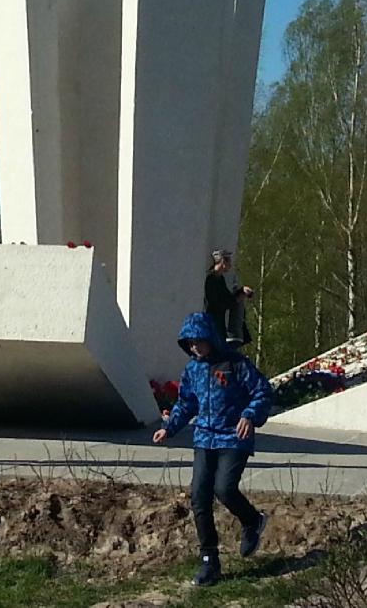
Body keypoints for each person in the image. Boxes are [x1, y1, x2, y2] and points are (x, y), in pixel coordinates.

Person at [152, 312, 271, 586]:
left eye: (199, 342)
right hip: (204, 438)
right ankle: (209, 559)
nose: (195, 348)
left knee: (225, 488)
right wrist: (169, 428)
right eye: (190, 343)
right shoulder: (192, 369)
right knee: (199, 496)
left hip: (233, 437)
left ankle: (252, 521)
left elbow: (262, 391)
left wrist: (250, 415)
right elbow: (186, 404)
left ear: (211, 338)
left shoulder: (236, 364)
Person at [203, 249, 253, 348]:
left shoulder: (220, 279)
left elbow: (227, 297)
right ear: (222, 261)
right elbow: (216, 304)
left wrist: (242, 291)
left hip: (219, 323)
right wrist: (236, 299)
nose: (230, 264)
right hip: (214, 323)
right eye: (228, 261)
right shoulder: (212, 280)